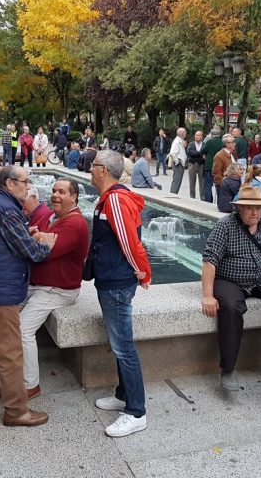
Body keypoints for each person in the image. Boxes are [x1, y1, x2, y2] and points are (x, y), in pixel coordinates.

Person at [0, 166, 55, 427]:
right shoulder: (5, 209)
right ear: (10, 183)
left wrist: (27, 234)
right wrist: (45, 245)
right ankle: (16, 411)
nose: (28, 187)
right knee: (10, 353)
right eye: (25, 182)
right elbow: (31, 252)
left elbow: (2, 240)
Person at [201, 186, 261, 390]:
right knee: (232, 308)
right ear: (239, 209)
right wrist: (207, 296)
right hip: (229, 280)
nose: (255, 213)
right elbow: (209, 260)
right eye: (250, 208)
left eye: (258, 208)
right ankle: (228, 369)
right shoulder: (225, 226)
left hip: (260, 279)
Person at [88, 150, 152, 438]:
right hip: (113, 279)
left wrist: (142, 272)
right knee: (119, 345)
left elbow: (129, 241)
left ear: (103, 170)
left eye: (93, 166)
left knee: (123, 347)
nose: (89, 169)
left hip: (116, 281)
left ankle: (136, 411)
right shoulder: (114, 197)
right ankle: (124, 395)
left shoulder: (114, 199)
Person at [22, 178, 90, 398]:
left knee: (23, 330)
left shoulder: (75, 223)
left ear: (74, 197)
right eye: (53, 190)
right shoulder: (52, 217)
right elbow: (33, 243)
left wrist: (36, 236)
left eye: (62, 192)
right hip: (39, 285)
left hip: (58, 290)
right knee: (0, 307)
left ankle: (30, 385)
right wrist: (37, 236)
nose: (55, 195)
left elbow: (45, 252)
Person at [202, 127, 223, 202]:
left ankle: (208, 201)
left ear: (211, 134)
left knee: (208, 185)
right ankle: (219, 201)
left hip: (209, 165)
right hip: (219, 166)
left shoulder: (209, 142)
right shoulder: (222, 142)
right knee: (219, 184)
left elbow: (202, 150)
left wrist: (205, 154)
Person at [168, 127, 188, 194]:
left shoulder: (179, 140)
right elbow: (172, 153)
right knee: (177, 181)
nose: (186, 134)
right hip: (179, 164)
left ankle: (174, 194)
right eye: (185, 132)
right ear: (182, 134)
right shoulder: (177, 141)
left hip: (180, 163)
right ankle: (173, 194)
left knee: (178, 180)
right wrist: (177, 161)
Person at [186, 130, 205, 200]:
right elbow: (189, 152)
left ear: (202, 136)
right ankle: (192, 197)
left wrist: (196, 153)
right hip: (192, 164)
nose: (196, 136)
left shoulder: (204, 144)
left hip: (201, 165)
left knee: (202, 183)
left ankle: (202, 197)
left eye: (198, 135)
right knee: (192, 182)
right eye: (196, 135)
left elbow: (205, 153)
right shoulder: (191, 144)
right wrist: (200, 153)